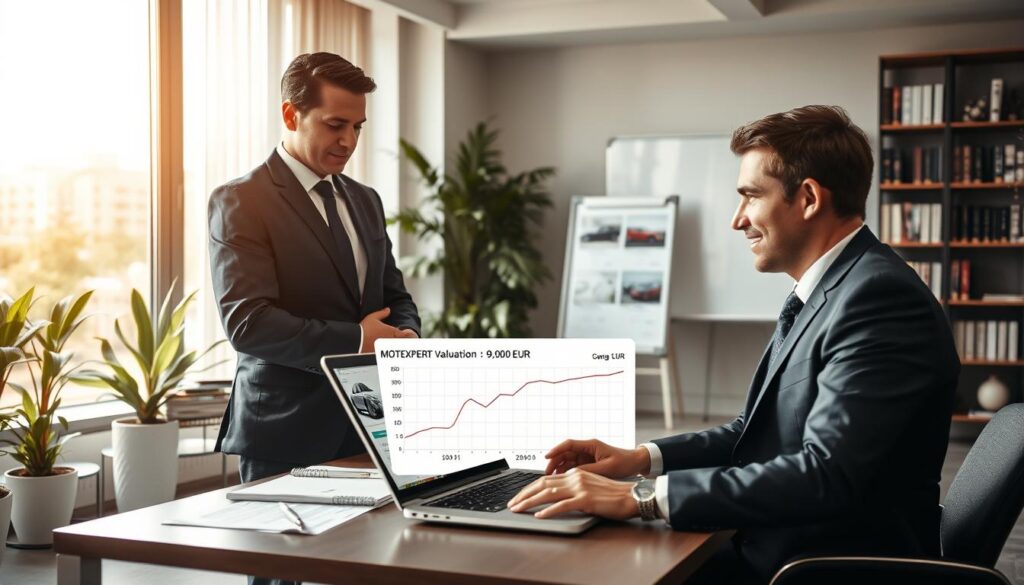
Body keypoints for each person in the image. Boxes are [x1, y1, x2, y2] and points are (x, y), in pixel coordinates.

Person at [508, 105, 959, 584]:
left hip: (815, 566)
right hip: (785, 542)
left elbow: (827, 474)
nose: (737, 220)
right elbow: (754, 432)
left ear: (807, 198)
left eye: (750, 197)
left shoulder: (876, 297)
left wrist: (640, 496)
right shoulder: (837, 287)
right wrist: (639, 459)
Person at [208, 50, 419, 552]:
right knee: (280, 573)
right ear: (290, 115)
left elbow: (395, 295)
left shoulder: (365, 199)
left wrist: (405, 337)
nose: (348, 141)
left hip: (368, 422)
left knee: (361, 563)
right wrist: (360, 338)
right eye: (335, 125)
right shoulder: (241, 199)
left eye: (358, 127)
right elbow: (248, 323)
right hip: (284, 430)